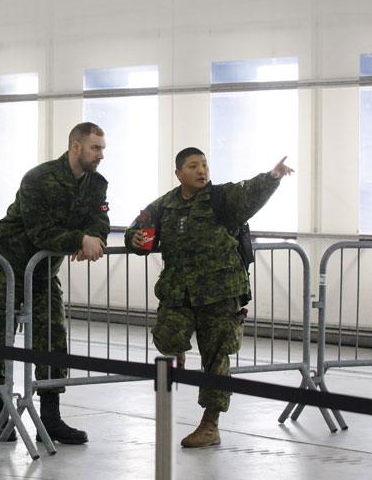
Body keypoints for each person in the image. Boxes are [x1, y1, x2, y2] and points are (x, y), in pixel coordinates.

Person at [124, 147, 293, 448]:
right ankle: (179, 351)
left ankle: (210, 425)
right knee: (166, 338)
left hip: (220, 292)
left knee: (216, 357)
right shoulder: (165, 205)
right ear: (179, 173)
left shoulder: (221, 198)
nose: (202, 171)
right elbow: (139, 230)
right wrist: (134, 240)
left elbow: (249, 192)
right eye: (193, 166)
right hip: (180, 291)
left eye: (204, 165)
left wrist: (272, 177)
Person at [0, 122, 110, 445]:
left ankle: (50, 419)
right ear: (75, 147)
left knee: (53, 339)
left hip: (42, 271)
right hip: (7, 264)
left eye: (103, 148)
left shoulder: (96, 183)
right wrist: (79, 239)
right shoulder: (39, 179)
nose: (101, 155)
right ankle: (0, 415)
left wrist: (94, 238)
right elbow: (40, 231)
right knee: (1, 339)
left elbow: (100, 219)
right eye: (95, 148)